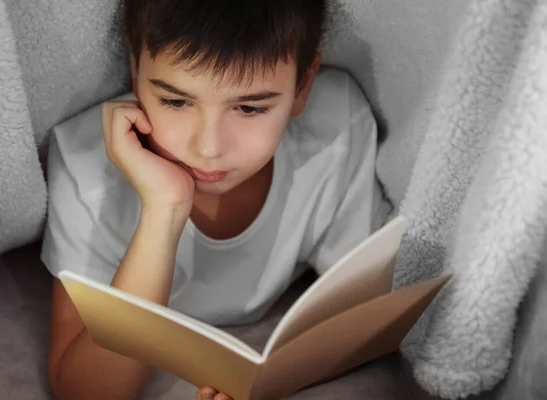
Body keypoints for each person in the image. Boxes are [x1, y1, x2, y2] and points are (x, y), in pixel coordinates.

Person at [40, 0, 390, 399]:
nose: (208, 148)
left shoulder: (337, 131)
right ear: (135, 69)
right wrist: (164, 211)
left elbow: (369, 313)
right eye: (175, 101)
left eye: (249, 107)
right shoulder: (86, 167)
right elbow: (85, 392)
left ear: (302, 87)